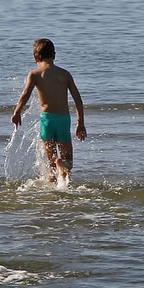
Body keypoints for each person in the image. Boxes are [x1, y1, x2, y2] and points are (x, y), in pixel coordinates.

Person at [11, 38, 87, 182]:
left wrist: (17, 112)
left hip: (47, 120)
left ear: (35, 57)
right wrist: (80, 123)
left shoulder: (35, 74)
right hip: (63, 120)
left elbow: (25, 94)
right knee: (68, 161)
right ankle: (63, 171)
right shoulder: (64, 74)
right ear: (54, 55)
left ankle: (52, 189)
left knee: (50, 163)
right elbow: (78, 99)